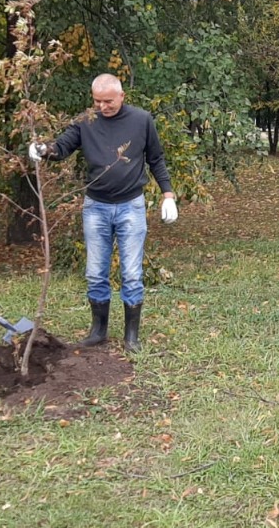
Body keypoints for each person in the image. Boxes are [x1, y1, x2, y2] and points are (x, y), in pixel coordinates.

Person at [29, 74, 177, 354]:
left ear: (121, 96)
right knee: (95, 272)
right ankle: (98, 331)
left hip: (131, 205)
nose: (102, 106)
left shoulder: (141, 120)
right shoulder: (86, 121)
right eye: (97, 101)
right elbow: (61, 148)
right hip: (95, 207)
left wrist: (168, 194)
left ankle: (131, 336)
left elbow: (156, 158)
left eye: (108, 101)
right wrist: (43, 150)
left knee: (132, 273)